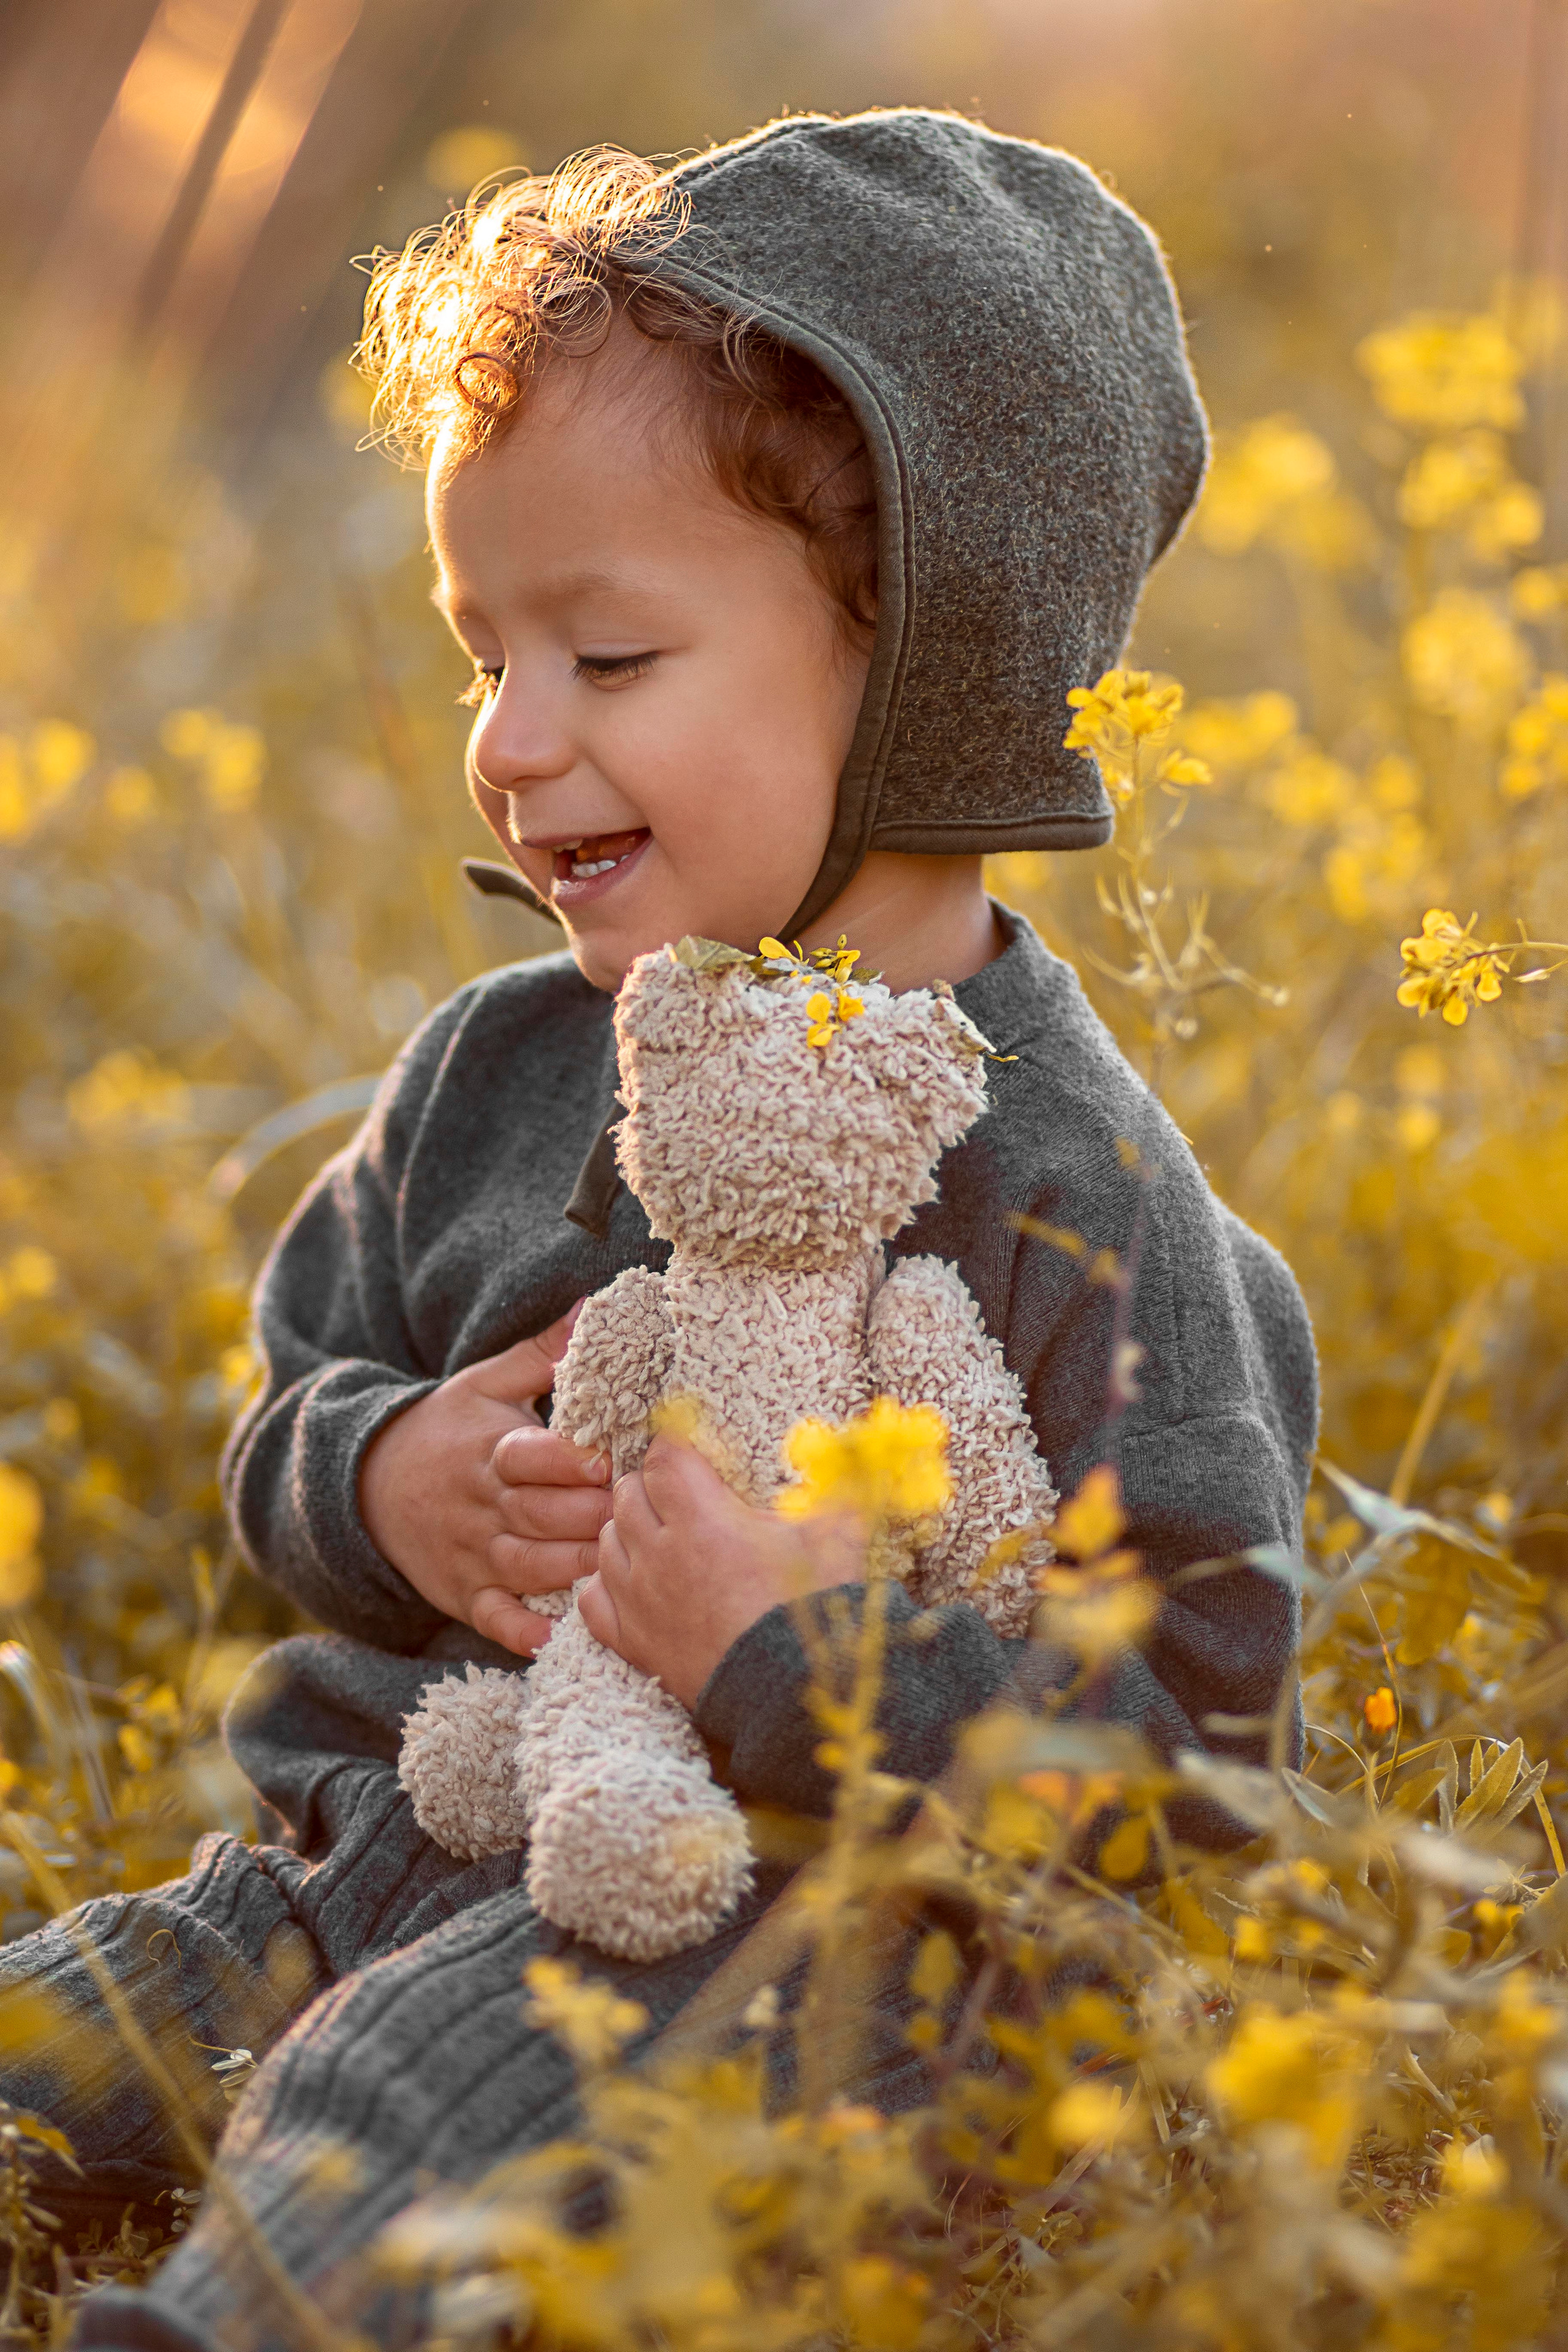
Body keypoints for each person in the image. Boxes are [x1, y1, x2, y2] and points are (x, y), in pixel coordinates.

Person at [7, 111, 1316, 2350]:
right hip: (367, 1869)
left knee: (400, 2115)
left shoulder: (1084, 1195)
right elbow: (298, 1390)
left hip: (767, 1951)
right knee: (90, 2007)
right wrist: (383, 1478)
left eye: (606, 661)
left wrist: (796, 1661)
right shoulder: (497, 1074)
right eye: (477, 657)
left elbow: (1188, 1772)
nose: (512, 742)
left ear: (931, 664)